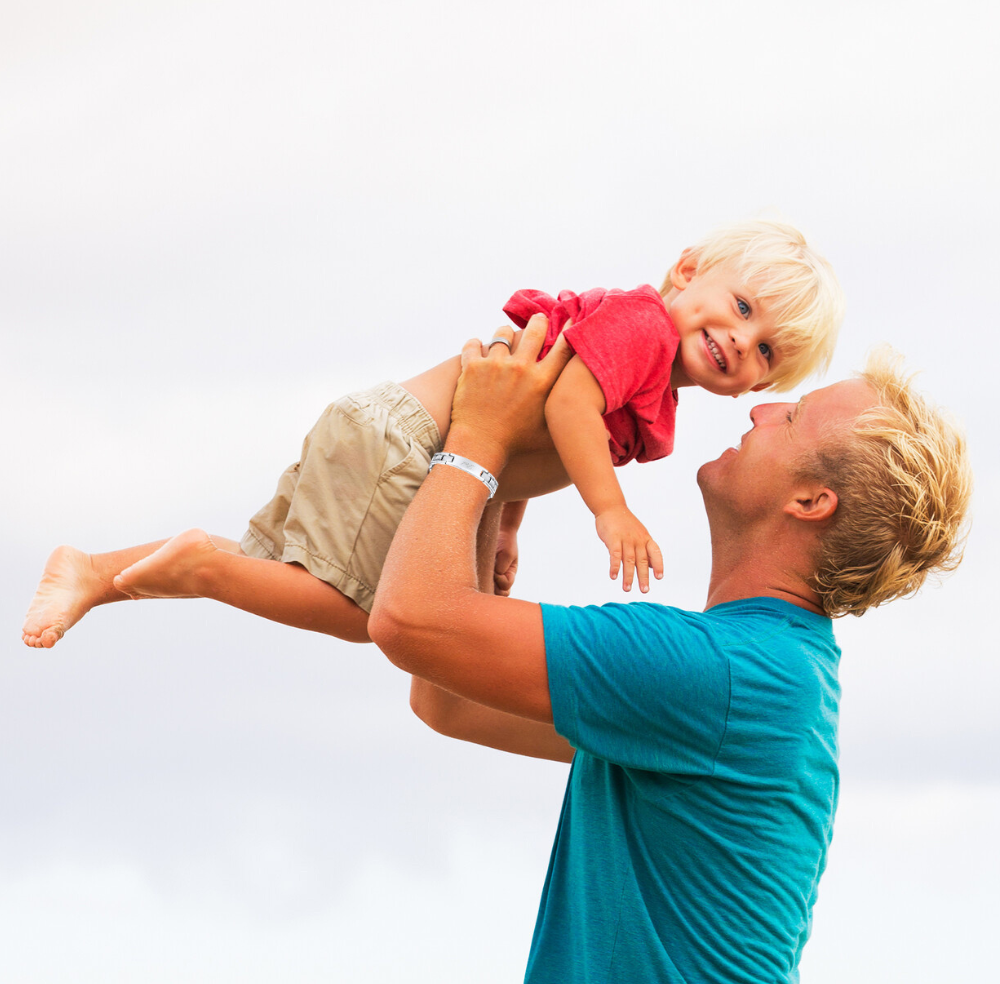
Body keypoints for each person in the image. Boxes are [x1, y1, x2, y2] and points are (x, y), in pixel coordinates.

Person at [368, 315, 972, 983]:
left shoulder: (720, 674)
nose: (763, 407)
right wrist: (493, 482)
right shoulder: (769, 672)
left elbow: (409, 620)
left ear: (809, 500)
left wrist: (480, 434)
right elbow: (449, 697)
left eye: (794, 417)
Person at [22, 220, 843, 649]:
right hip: (410, 446)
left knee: (276, 567)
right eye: (741, 307)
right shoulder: (643, 330)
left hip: (409, 444)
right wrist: (609, 510)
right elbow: (562, 408)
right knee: (359, 613)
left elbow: (543, 417)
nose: (742, 340)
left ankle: (97, 571)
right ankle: (194, 567)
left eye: (765, 350)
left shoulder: (653, 366)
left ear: (762, 383)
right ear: (688, 271)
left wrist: (509, 523)